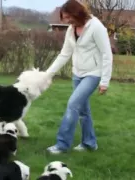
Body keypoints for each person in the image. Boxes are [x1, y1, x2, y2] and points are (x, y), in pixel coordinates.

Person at [46, 0, 113, 154]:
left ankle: (62, 145)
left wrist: (104, 81)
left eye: (69, 17)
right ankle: (90, 143)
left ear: (78, 13)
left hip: (93, 74)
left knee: (72, 105)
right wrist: (48, 74)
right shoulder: (71, 30)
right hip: (77, 73)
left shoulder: (96, 27)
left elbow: (107, 54)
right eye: (65, 18)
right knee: (83, 111)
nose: (67, 21)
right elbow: (65, 54)